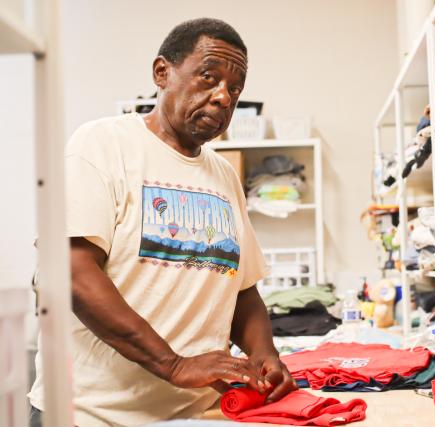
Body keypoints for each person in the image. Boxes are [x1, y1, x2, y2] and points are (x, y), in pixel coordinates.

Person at [28, 18, 296, 426]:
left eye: (235, 89)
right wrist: (173, 365)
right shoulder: (101, 144)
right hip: (88, 416)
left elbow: (243, 292)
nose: (223, 96)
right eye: (209, 77)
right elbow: (70, 271)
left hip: (189, 415)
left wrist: (265, 356)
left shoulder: (224, 176)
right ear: (162, 72)